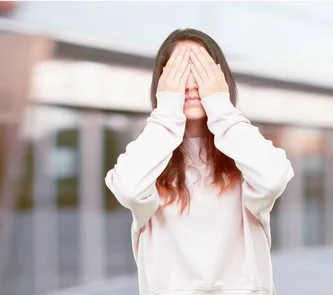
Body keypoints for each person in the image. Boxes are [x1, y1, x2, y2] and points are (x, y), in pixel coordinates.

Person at [105, 28, 294, 295]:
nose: (192, 83)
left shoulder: (243, 154)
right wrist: (168, 110)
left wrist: (221, 105)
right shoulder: (150, 156)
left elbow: (273, 177)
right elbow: (127, 188)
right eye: (180, 70)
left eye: (201, 69)